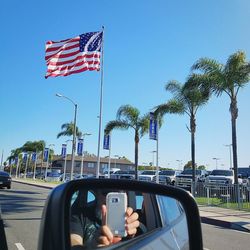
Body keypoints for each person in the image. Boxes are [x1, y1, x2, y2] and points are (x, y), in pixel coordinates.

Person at [70, 189, 140, 249]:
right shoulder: (80, 215)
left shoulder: (131, 221)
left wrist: (133, 237)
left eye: (119, 193)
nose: (110, 199)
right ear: (97, 194)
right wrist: (91, 247)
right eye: (106, 192)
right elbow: (73, 242)